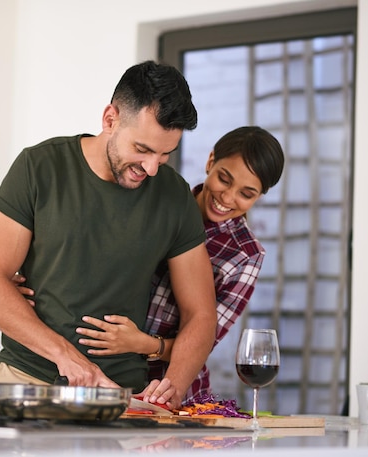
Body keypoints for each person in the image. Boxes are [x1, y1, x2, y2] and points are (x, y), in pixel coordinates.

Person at [0, 60, 217, 409]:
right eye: (142, 150)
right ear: (110, 119)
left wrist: (173, 384)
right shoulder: (39, 167)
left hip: (122, 398)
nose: (150, 168)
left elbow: (201, 314)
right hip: (26, 384)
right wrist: (67, 356)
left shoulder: (175, 197)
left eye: (164, 156)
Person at [73, 126, 284, 405]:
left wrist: (141, 343)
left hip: (170, 389)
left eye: (246, 193)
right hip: (106, 372)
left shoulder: (245, 254)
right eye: (224, 178)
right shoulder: (163, 199)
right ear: (210, 161)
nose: (228, 197)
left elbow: (203, 341)